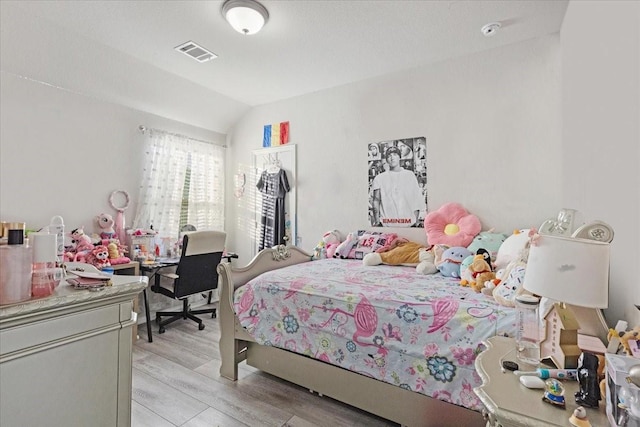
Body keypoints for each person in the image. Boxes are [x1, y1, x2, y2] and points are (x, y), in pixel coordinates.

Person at [370, 146, 426, 227]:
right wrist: (377, 221)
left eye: (395, 154)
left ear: (400, 157)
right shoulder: (379, 178)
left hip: (409, 223)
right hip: (387, 224)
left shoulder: (409, 175)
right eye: (389, 156)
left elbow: (416, 198)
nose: (392, 158)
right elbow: (376, 200)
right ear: (386, 160)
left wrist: (415, 220)